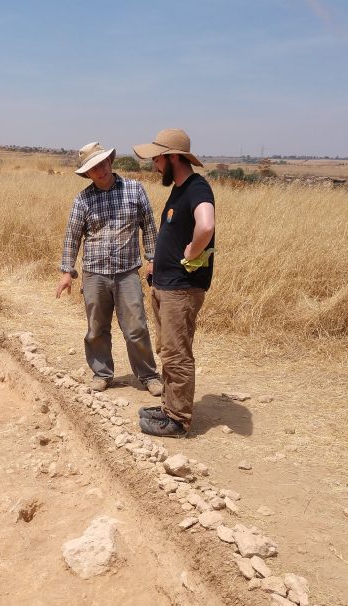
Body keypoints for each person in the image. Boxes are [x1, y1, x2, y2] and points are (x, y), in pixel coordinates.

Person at [56, 141, 163, 396]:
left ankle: (148, 375)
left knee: (136, 327)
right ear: (87, 173)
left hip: (127, 272)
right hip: (94, 273)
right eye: (94, 168)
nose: (101, 170)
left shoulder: (135, 190)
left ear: (110, 162)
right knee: (96, 328)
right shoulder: (83, 200)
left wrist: (153, 258)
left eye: (102, 163)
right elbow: (73, 236)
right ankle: (102, 373)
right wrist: (66, 272)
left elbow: (148, 226)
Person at [131, 128, 215, 437]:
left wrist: (192, 250)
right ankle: (169, 406)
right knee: (168, 350)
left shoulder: (197, 188)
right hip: (167, 285)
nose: (154, 165)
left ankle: (178, 420)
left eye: (157, 158)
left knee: (177, 353)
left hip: (181, 288)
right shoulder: (180, 189)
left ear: (173, 157)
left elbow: (206, 225)